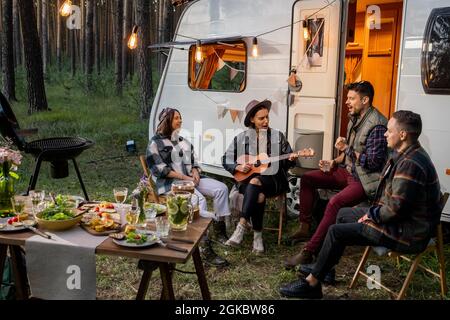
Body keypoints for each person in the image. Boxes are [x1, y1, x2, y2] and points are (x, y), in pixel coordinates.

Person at [279, 110, 442, 298]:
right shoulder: (406, 154)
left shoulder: (411, 163)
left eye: (389, 131)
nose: (385, 134)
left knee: (336, 232)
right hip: (400, 221)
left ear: (403, 135)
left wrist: (371, 215)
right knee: (342, 214)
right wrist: (372, 212)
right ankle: (326, 270)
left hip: (408, 232)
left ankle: (312, 284)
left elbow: (395, 209)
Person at [285, 80, 388, 269]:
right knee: (307, 179)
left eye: (351, 98)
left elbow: (373, 163)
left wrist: (346, 149)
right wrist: (334, 161)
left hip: (365, 180)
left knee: (335, 203)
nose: (347, 102)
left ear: (365, 100)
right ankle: (305, 227)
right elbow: (348, 153)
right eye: (347, 98)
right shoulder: (354, 118)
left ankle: (310, 251)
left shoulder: (378, 126)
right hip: (348, 171)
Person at [147, 107, 231, 267]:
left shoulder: (183, 141)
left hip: (190, 179)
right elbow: (160, 170)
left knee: (222, 189)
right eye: (176, 118)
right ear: (167, 121)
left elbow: (194, 161)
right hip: (170, 184)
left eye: (180, 117)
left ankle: (219, 232)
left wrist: (195, 171)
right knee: (199, 201)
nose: (180, 120)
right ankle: (205, 249)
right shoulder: (155, 143)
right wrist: (185, 178)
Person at [222, 99, 300, 254]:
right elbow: (226, 159)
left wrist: (291, 159)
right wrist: (238, 167)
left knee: (256, 180)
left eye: (267, 117)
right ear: (252, 119)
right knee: (258, 194)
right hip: (247, 182)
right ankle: (257, 236)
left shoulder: (278, 137)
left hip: (273, 180)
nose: (265, 121)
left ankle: (241, 226)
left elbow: (288, 164)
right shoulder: (241, 138)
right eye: (261, 118)